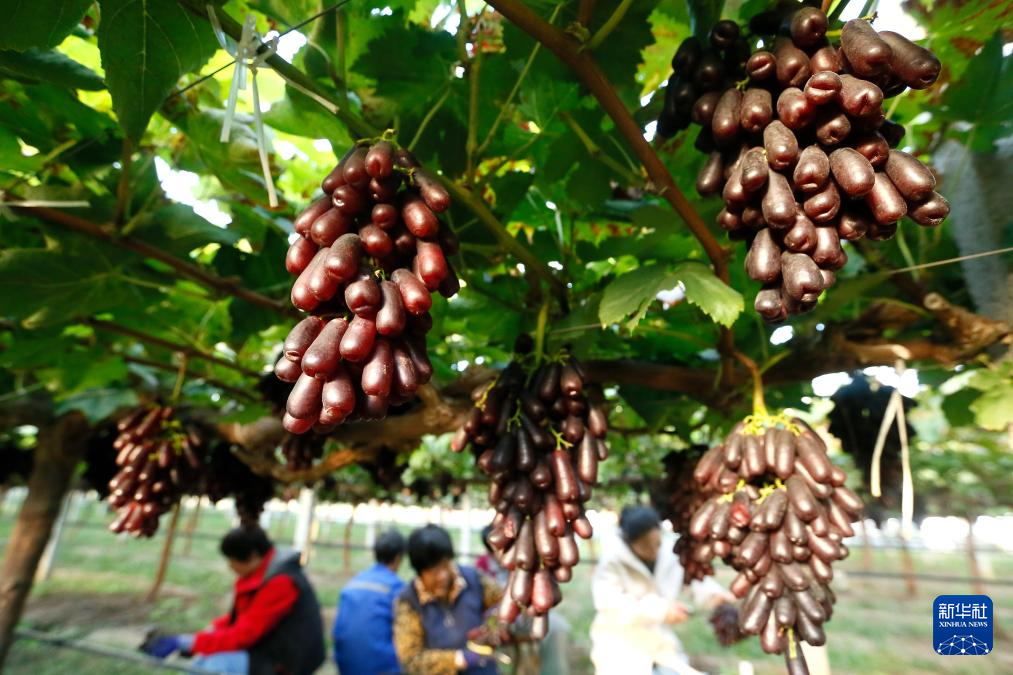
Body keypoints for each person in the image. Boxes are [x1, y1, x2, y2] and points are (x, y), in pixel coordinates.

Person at [141, 526, 326, 675]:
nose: (230, 566)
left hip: (286, 661)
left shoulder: (281, 583)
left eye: (232, 560)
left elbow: (244, 635)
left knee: (215, 666)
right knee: (202, 661)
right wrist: (205, 636)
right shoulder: (263, 572)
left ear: (253, 557)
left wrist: (186, 642)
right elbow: (241, 619)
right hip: (266, 647)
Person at [590, 506, 734, 675]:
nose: (654, 550)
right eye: (646, 546)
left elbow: (691, 581)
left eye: (657, 543)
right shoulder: (612, 561)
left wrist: (714, 595)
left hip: (663, 647)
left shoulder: (668, 553)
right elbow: (610, 605)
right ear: (630, 542)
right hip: (621, 649)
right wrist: (661, 611)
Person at [393, 524, 502, 674]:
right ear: (419, 572)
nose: (442, 576)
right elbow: (411, 659)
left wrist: (495, 623)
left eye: (445, 565)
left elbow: (504, 602)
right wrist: (458, 659)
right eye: (433, 571)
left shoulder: (474, 580)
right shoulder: (408, 602)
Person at [332, 529, 406, 674]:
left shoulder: (353, 583)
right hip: (383, 669)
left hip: (345, 666)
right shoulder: (397, 588)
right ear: (398, 558)